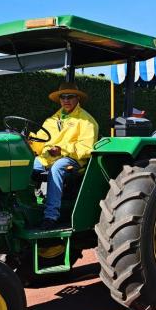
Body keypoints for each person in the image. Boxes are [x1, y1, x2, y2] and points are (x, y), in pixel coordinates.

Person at [32, 82, 99, 229]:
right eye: (63, 97)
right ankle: (25, 208)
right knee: (26, 165)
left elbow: (87, 149)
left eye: (70, 96)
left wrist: (62, 150)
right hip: (48, 158)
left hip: (73, 160)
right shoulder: (52, 120)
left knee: (57, 168)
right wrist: (28, 141)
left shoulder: (87, 121)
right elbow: (39, 141)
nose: (66, 100)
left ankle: (51, 216)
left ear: (77, 99)